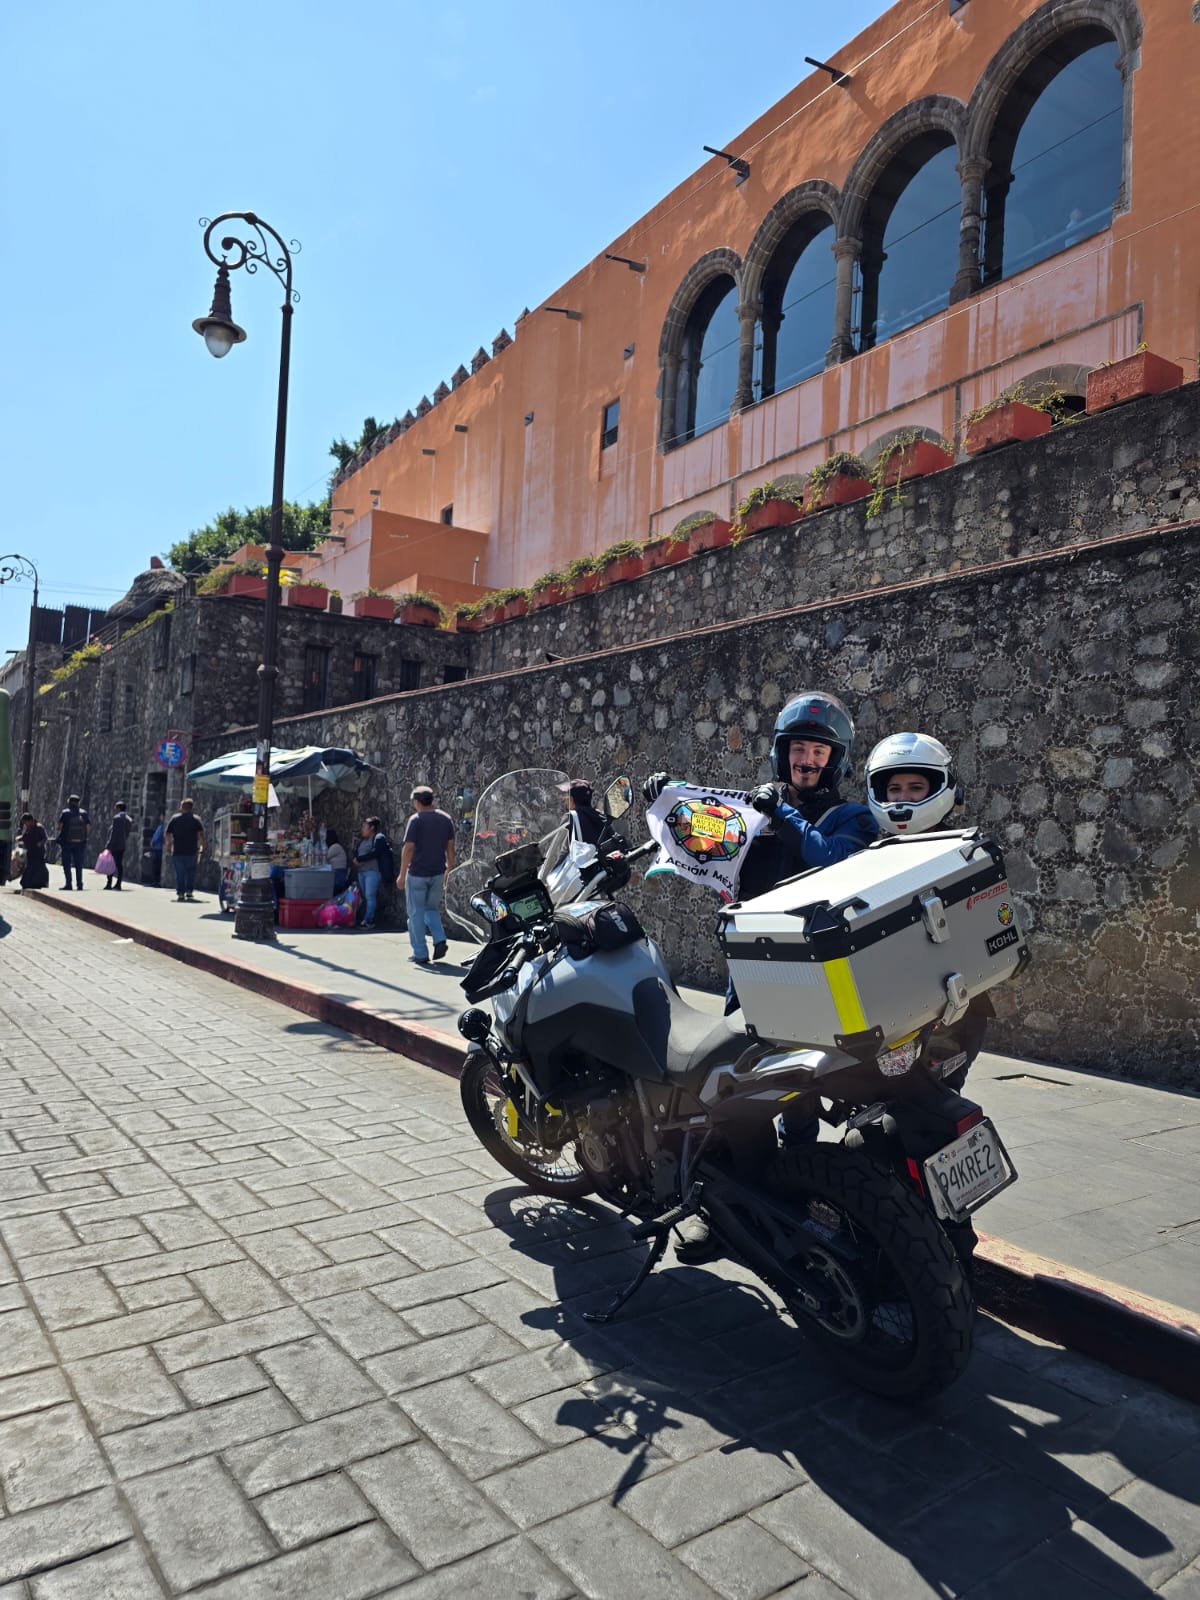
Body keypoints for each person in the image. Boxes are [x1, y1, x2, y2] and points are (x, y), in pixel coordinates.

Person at [645, 691, 877, 1260]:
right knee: (726, 1088)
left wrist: (784, 813)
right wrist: (667, 800)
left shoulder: (849, 817)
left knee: (795, 1094)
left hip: (812, 978)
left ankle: (795, 1199)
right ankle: (725, 1213)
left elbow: (832, 860)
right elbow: (705, 838)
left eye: (819, 752)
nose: (807, 760)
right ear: (781, 754)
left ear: (836, 761)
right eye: (798, 749)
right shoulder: (756, 815)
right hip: (747, 971)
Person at [864, 730, 991, 1087]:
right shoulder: (868, 860)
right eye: (894, 789)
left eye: (915, 787)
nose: (903, 798)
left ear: (939, 787)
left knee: (938, 1103)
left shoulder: (966, 853)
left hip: (954, 1010)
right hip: (892, 1011)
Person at [397, 786, 456, 965]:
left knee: (415, 913)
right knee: (431, 909)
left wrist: (401, 874)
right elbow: (450, 847)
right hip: (438, 872)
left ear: (416, 801)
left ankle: (421, 953)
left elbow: (408, 848)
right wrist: (449, 869)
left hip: (417, 874)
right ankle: (439, 939)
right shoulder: (446, 819)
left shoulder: (416, 820)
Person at [165, 798, 205, 902]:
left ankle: (181, 893)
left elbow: (168, 833)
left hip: (178, 850)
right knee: (191, 872)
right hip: (191, 850)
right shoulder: (196, 819)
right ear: (191, 808)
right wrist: (202, 846)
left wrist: (169, 845)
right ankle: (189, 891)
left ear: (182, 807)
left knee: (180, 873)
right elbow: (201, 834)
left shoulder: (175, 819)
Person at [354, 816, 389, 929]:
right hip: (362, 872)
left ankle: (368, 920)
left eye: (364, 827)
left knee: (370, 896)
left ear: (372, 828)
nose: (362, 829)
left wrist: (360, 859)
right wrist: (355, 859)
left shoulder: (378, 838)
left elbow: (375, 852)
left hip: (372, 872)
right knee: (366, 896)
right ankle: (369, 917)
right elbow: (356, 852)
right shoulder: (363, 841)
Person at [56, 794, 90, 890]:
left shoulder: (65, 813)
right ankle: (79, 884)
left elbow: (59, 827)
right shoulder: (84, 813)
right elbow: (88, 827)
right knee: (78, 864)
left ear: (69, 802)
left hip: (67, 843)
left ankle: (68, 884)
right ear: (78, 803)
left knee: (67, 864)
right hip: (80, 843)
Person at [560, 778, 607, 846]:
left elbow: (560, 849)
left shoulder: (570, 818)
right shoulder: (599, 816)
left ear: (571, 800)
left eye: (566, 799)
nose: (565, 802)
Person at [104, 802, 133, 891]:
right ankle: (118, 883)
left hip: (114, 845)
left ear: (119, 808)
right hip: (122, 844)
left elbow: (114, 834)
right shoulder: (129, 819)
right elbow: (127, 832)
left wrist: (108, 845)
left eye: (115, 808)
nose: (114, 809)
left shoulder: (116, 818)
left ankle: (109, 883)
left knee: (110, 864)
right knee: (119, 864)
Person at [17, 813, 48, 892]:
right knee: (29, 866)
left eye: (25, 822)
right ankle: (27, 883)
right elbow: (25, 837)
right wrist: (20, 839)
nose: (25, 824)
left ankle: (40, 883)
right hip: (30, 850)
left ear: (30, 820)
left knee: (39, 867)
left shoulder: (39, 827)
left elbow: (45, 838)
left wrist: (40, 843)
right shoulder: (28, 828)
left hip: (38, 851)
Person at [325, 827, 349, 892]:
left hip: (338, 875)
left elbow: (324, 857)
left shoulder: (335, 847)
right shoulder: (334, 847)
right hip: (336, 874)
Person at [149, 812, 166, 885]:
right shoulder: (161, 826)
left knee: (157, 865)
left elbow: (158, 836)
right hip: (157, 847)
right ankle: (155, 880)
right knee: (156, 864)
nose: (160, 817)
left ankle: (156, 881)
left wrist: (153, 842)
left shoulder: (163, 826)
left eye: (162, 816)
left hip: (158, 848)